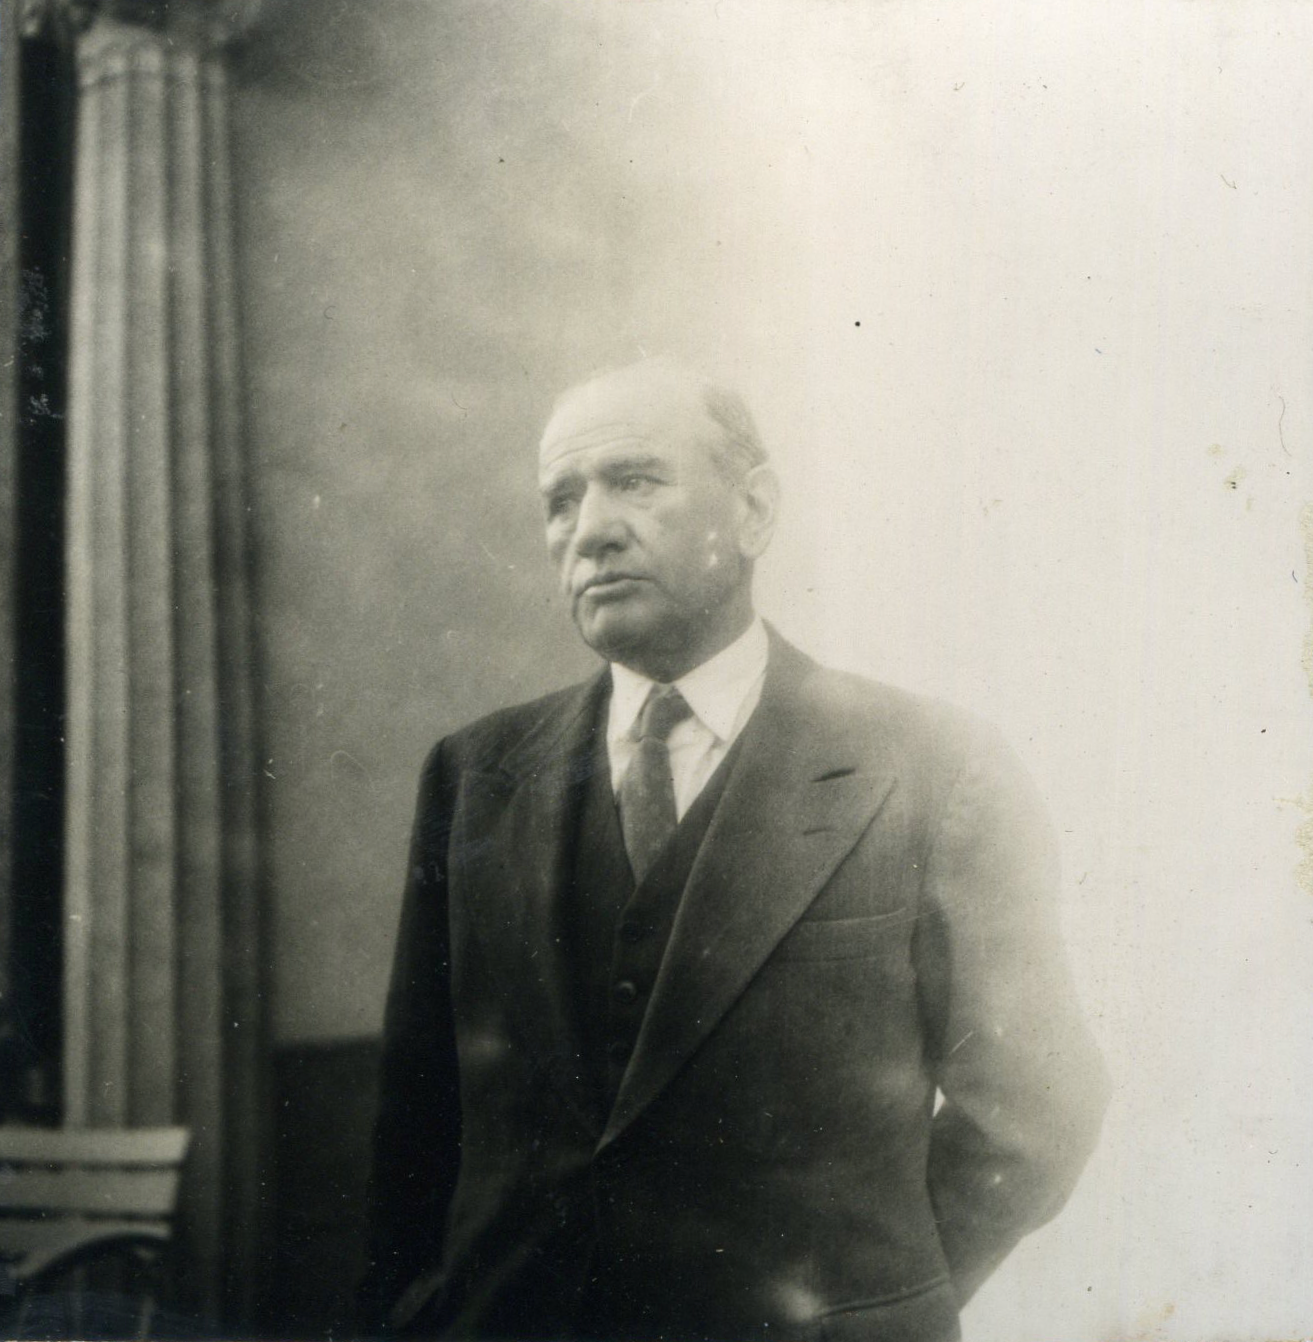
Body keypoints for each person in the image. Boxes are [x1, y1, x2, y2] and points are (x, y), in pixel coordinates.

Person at [359, 358, 1109, 1342]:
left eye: (634, 480)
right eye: (560, 500)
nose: (589, 530)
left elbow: (1032, 1118)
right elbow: (416, 1130)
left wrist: (867, 1300)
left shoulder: (931, 767)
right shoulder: (475, 777)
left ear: (752, 511)